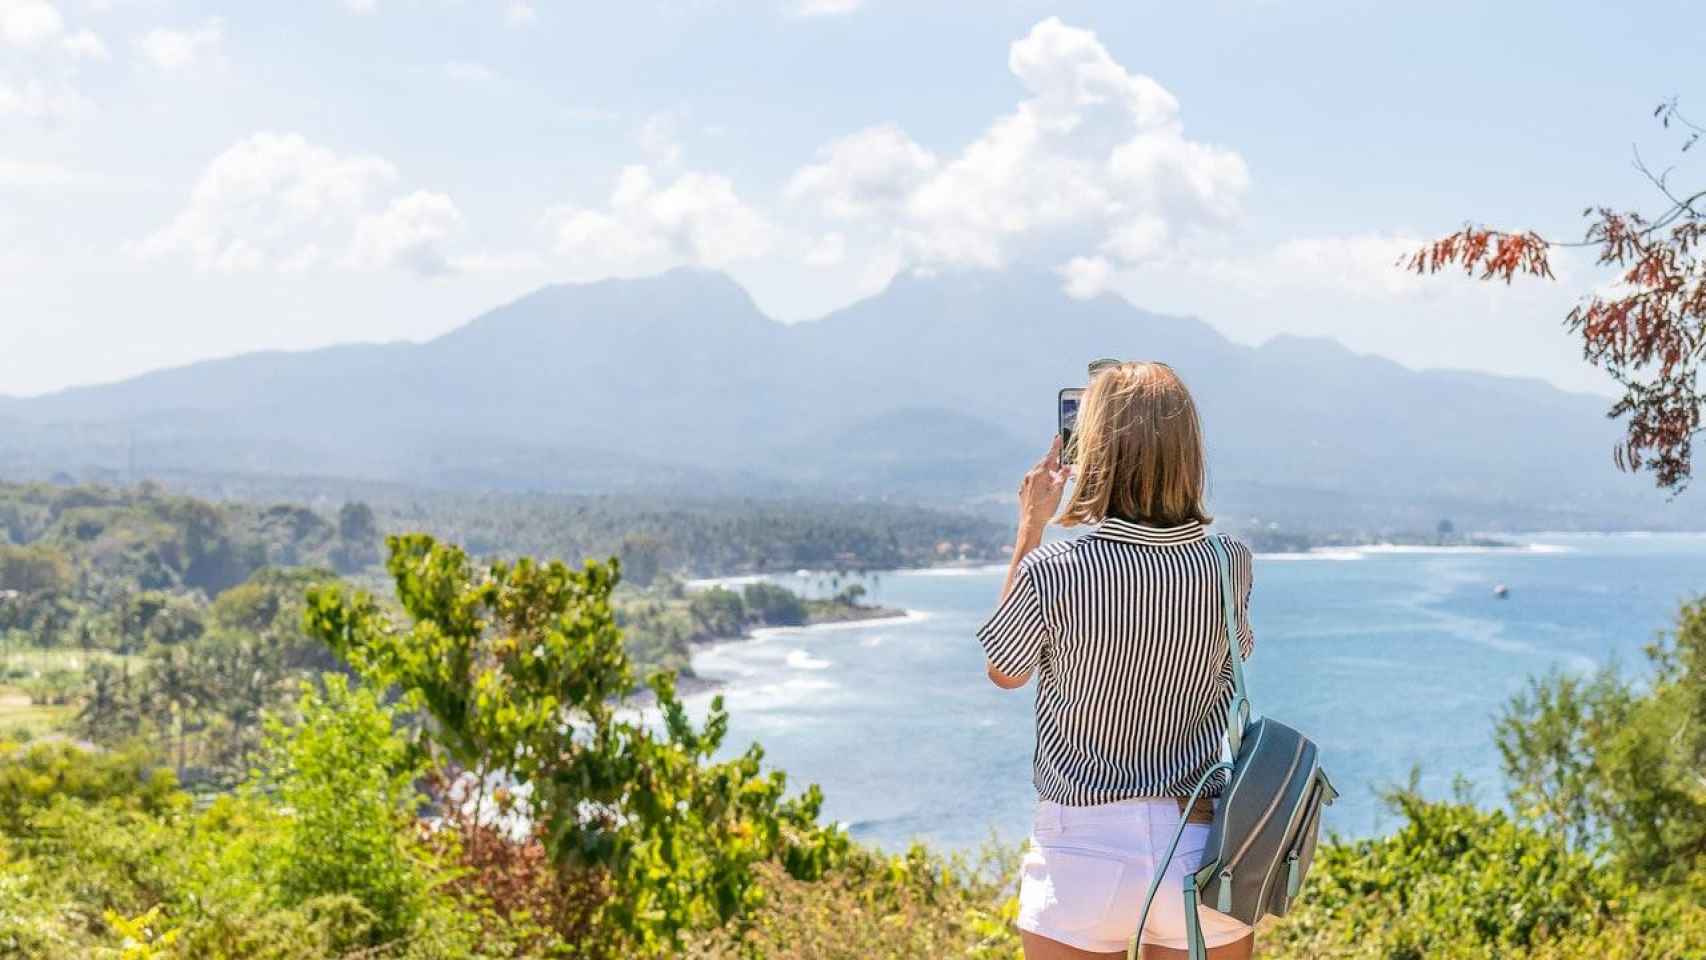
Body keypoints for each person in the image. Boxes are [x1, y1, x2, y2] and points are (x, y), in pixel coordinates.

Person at [978, 361, 1257, 960]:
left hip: (1082, 846)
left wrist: (1030, 527)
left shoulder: (1056, 570)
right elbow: (1233, 665)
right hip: (1200, 842)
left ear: (1096, 449)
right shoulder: (1229, 561)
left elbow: (1005, 668)